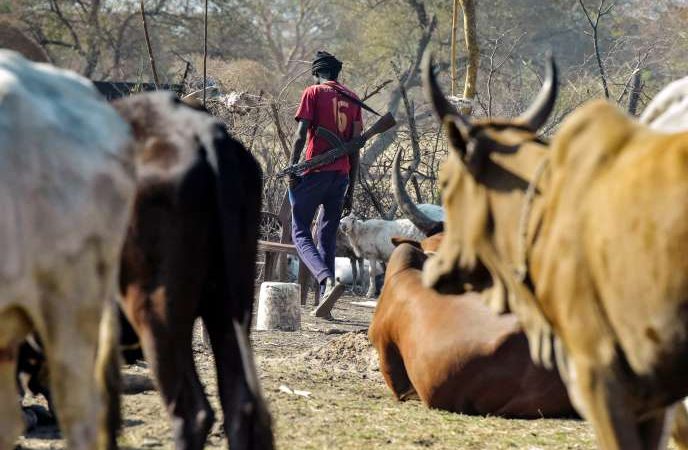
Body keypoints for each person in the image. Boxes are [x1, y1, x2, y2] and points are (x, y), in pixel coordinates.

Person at [288, 51, 362, 320]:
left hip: (315, 172)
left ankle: (325, 280)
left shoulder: (313, 93)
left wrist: (292, 168)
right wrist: (350, 189)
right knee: (327, 237)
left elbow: (300, 136)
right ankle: (324, 303)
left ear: (317, 73)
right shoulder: (352, 98)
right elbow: (355, 150)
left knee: (300, 232)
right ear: (337, 73)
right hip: (341, 176)